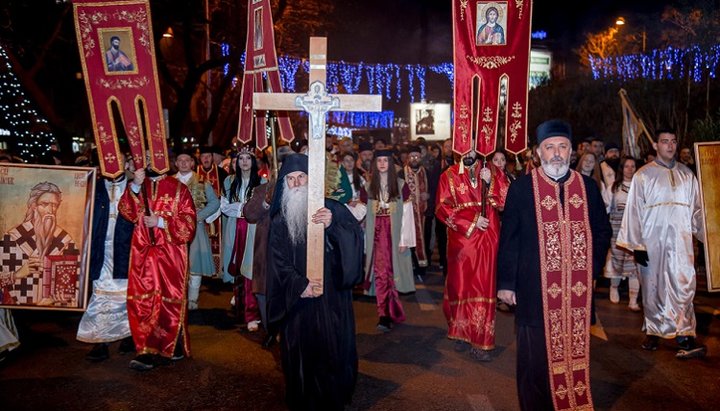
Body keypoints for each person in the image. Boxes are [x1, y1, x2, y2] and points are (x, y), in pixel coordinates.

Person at [497, 119, 611, 410]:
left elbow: (602, 231)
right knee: (534, 359)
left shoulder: (586, 187)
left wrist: (591, 267)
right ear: (538, 152)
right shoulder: (522, 188)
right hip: (533, 290)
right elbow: (509, 238)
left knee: (574, 355)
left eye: (562, 147)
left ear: (572, 151)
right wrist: (507, 284)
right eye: (550, 147)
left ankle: (571, 403)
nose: (557, 153)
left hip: (576, 293)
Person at [266, 154, 364, 410]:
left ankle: (333, 400)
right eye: (290, 179)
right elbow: (277, 262)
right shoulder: (278, 221)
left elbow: (354, 240)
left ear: (312, 180)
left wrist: (333, 225)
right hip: (298, 299)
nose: (297, 183)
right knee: (301, 353)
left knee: (332, 350)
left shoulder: (333, 208)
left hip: (331, 297)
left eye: (302, 177)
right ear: (283, 184)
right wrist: (299, 285)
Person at [617, 129, 706, 359]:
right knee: (653, 288)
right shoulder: (643, 175)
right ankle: (654, 331)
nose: (670, 146)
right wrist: (636, 245)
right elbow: (634, 211)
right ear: (656, 145)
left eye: (673, 141)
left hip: (681, 243)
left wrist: (709, 236)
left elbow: (698, 211)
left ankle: (685, 334)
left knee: (684, 285)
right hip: (652, 242)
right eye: (665, 141)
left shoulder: (688, 175)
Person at [118, 159, 196, 371]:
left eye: (154, 155)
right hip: (143, 254)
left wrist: (161, 222)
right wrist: (134, 185)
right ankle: (146, 348)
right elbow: (126, 211)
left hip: (171, 255)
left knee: (168, 301)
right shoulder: (138, 185)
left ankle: (172, 345)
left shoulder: (178, 188)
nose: (150, 160)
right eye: (146, 156)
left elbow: (189, 225)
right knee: (144, 301)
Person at [436, 149, 509, 362]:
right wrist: (471, 220)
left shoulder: (491, 170)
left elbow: (505, 200)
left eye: (472, 146)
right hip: (461, 240)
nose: (468, 151)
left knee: (483, 285)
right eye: (463, 146)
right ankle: (460, 331)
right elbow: (441, 208)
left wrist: (492, 182)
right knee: (459, 286)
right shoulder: (448, 175)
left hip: (488, 235)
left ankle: (481, 340)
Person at [77, 152, 135, 361]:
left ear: (125, 163)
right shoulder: (94, 185)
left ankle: (130, 335)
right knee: (101, 294)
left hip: (126, 248)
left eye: (118, 160)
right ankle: (99, 340)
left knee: (128, 294)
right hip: (100, 248)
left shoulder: (134, 186)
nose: (113, 164)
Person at [0, 182, 78, 306]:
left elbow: (76, 284)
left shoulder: (65, 241)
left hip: (53, 315)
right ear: (33, 206)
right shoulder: (12, 238)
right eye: (44, 204)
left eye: (54, 205)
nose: (50, 210)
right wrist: (17, 274)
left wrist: (61, 297)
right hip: (17, 310)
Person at [364, 149, 416, 332]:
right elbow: (363, 213)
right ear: (375, 164)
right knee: (380, 273)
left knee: (393, 273)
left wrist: (405, 240)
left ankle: (392, 309)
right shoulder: (369, 186)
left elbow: (408, 214)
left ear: (391, 164)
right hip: (376, 234)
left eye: (386, 160)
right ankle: (383, 314)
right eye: (379, 161)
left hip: (394, 233)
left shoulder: (401, 185)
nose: (382, 163)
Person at [220, 147, 263, 331]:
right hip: (235, 227)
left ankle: (253, 312)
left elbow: (263, 207)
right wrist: (243, 209)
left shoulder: (262, 181)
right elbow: (224, 207)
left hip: (254, 228)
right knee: (237, 267)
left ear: (254, 161)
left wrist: (245, 209)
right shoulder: (229, 181)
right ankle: (240, 307)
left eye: (248, 158)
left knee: (251, 270)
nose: (244, 162)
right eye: (241, 158)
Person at [174, 150, 220, 310]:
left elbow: (215, 203)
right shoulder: (168, 182)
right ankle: (176, 297)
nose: (184, 163)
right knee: (176, 265)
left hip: (196, 228)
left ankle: (192, 299)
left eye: (187, 160)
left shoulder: (202, 181)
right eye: (181, 160)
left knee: (195, 265)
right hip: (173, 230)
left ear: (193, 163)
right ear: (176, 163)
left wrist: (198, 216)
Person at [603, 156, 641, 311]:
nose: (630, 169)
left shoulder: (642, 186)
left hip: (636, 231)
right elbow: (605, 207)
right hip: (617, 230)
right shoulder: (613, 187)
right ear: (622, 168)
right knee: (616, 261)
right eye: (627, 166)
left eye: (633, 166)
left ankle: (633, 300)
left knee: (635, 264)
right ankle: (614, 287)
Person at [197, 145, 227, 277]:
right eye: (203, 156)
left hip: (218, 216)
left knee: (219, 242)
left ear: (212, 158)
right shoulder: (194, 173)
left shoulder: (222, 173)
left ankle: (217, 271)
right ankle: (202, 271)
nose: (206, 159)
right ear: (199, 158)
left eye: (208, 156)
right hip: (200, 215)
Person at [401, 145, 430, 281]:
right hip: (407, 214)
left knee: (424, 239)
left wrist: (428, 195)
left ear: (421, 157)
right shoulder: (402, 173)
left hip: (424, 213)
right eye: (411, 156)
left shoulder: (426, 172)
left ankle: (422, 268)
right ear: (408, 158)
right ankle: (412, 267)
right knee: (409, 240)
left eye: (416, 156)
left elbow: (434, 189)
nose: (414, 159)